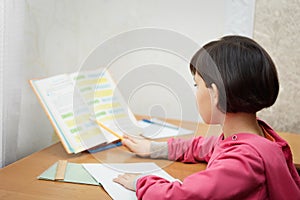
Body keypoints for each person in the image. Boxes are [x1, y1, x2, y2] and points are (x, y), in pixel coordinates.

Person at [113, 35, 300, 199]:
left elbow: (183, 196)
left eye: (197, 85)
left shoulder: (243, 162)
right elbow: (203, 147)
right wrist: (155, 149)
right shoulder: (254, 135)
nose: (195, 92)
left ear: (214, 94)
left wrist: (140, 183)